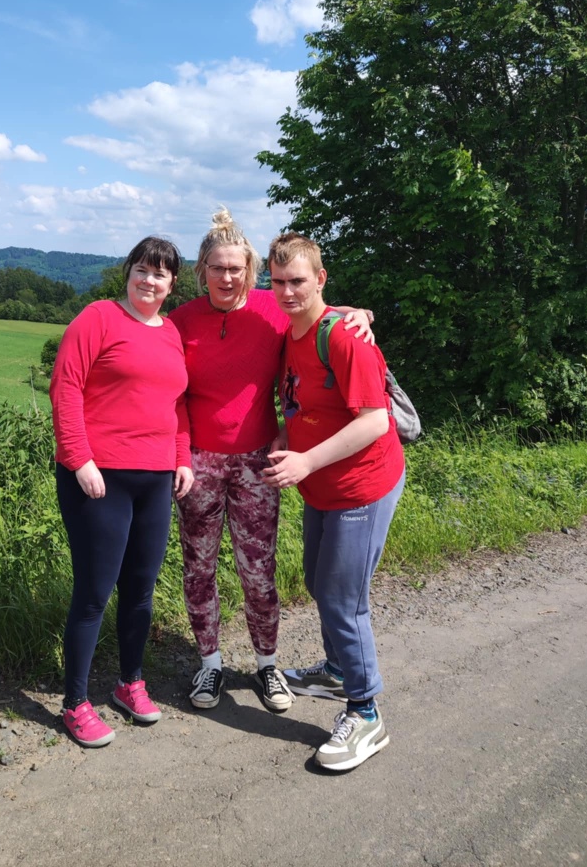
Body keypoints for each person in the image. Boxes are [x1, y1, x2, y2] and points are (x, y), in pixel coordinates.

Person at [167, 210, 373, 713]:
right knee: (199, 567)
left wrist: (360, 314)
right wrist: (180, 455)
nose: (227, 277)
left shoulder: (271, 309)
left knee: (258, 569)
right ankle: (210, 663)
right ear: (201, 270)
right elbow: (173, 396)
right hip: (199, 461)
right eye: (218, 268)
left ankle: (267, 665)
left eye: (236, 268)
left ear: (251, 270)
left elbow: (319, 312)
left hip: (259, 460)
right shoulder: (182, 321)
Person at [263, 231, 405, 772]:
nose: (287, 292)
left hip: (362, 486)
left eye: (297, 281)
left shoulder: (345, 337)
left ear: (320, 279)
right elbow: (303, 402)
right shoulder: (291, 331)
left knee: (343, 600)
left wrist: (304, 461)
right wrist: (286, 434)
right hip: (322, 485)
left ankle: (366, 712)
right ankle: (339, 671)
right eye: (278, 281)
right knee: (319, 582)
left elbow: (375, 421)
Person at [49, 236, 194, 748]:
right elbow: (66, 386)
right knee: (94, 592)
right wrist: (79, 458)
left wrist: (182, 457)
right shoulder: (98, 318)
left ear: (172, 284)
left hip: (155, 478)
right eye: (141, 270)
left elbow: (178, 403)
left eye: (160, 274)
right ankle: (75, 703)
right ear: (128, 272)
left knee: (140, 590)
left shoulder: (171, 333)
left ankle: (130, 683)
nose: (149, 281)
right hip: (98, 477)